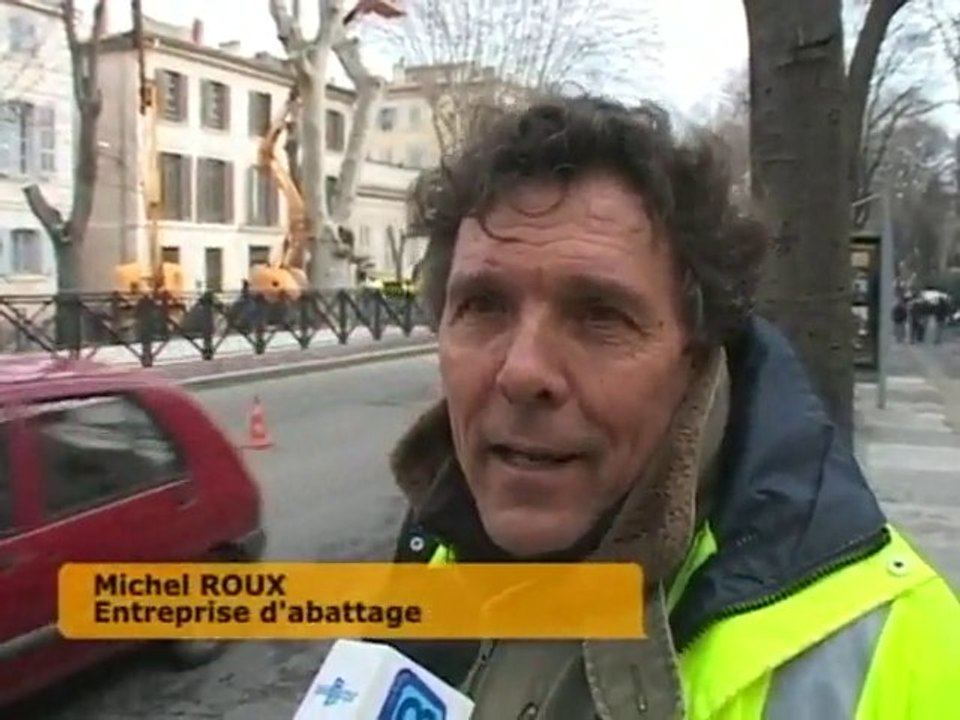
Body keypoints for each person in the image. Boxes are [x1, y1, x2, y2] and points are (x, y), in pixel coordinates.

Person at [385, 94, 960, 718]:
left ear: (697, 356)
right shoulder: (434, 555)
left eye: (600, 316)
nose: (523, 372)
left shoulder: (894, 648)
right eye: (484, 306)